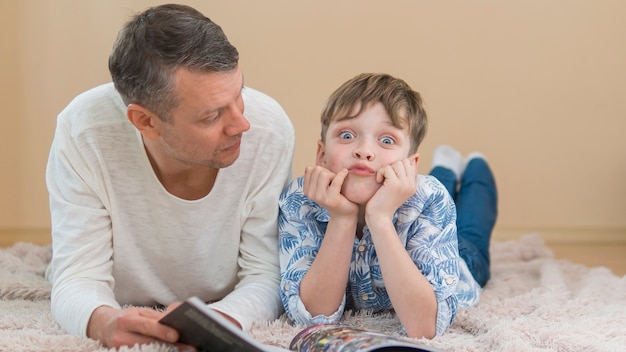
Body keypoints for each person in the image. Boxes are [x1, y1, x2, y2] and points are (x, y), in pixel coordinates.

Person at [45, 4, 294, 349]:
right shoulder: (84, 131)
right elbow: (76, 277)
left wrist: (220, 323)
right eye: (211, 117)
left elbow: (267, 274)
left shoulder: (270, 131)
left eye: (240, 95)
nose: (242, 124)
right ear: (145, 122)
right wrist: (104, 320)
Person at [278, 73, 497, 339]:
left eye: (387, 140)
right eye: (347, 135)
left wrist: (380, 219)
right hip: (417, 211)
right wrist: (342, 219)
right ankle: (446, 166)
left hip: (460, 259)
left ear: (411, 165)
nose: (364, 151)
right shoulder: (301, 199)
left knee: (472, 231)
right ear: (321, 155)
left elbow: (424, 327)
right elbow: (310, 316)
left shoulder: (428, 197)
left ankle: (475, 166)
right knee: (440, 186)